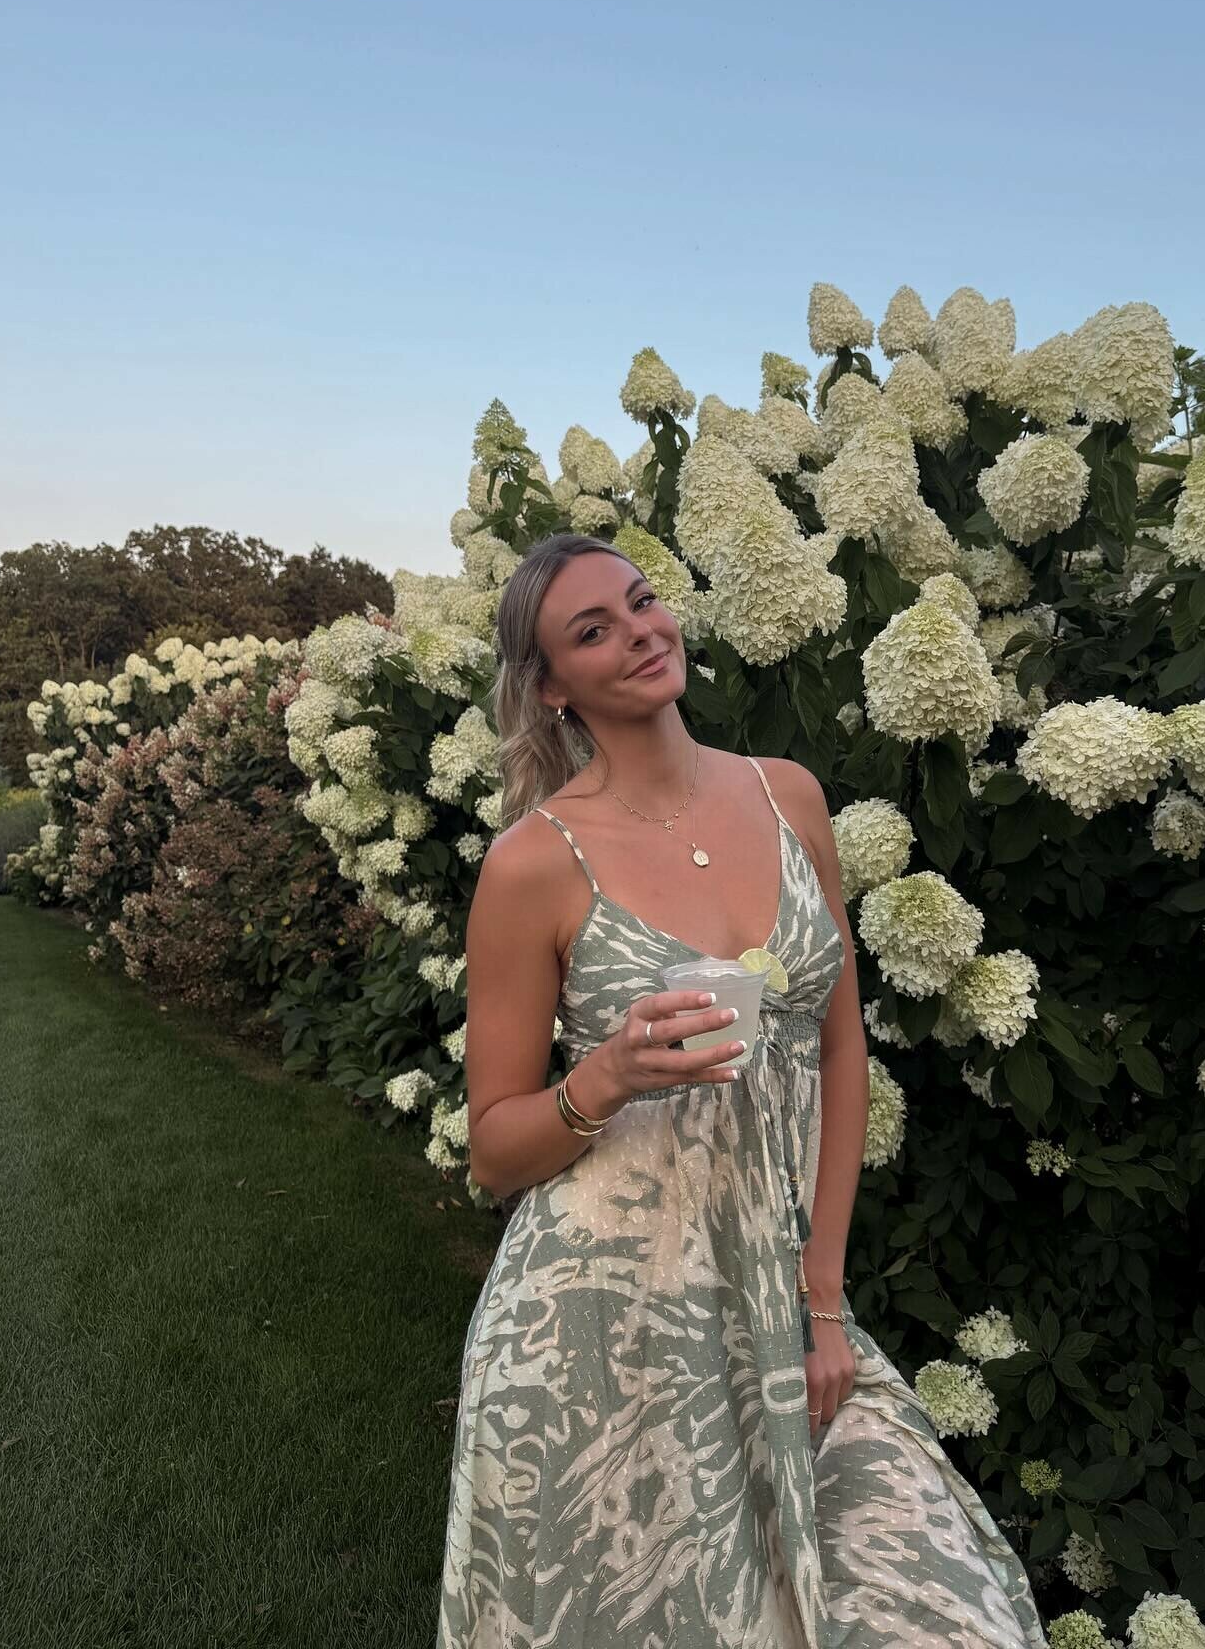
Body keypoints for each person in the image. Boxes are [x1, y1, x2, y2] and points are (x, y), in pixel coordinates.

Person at [435, 531, 1047, 1649]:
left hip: (780, 1288)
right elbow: (494, 1152)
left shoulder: (787, 796)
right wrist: (605, 1077)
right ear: (552, 687)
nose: (639, 633)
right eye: (593, 631)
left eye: (641, 602)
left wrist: (825, 1298)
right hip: (604, 1329)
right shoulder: (533, 862)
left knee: (936, 1610)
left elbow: (842, 1049)